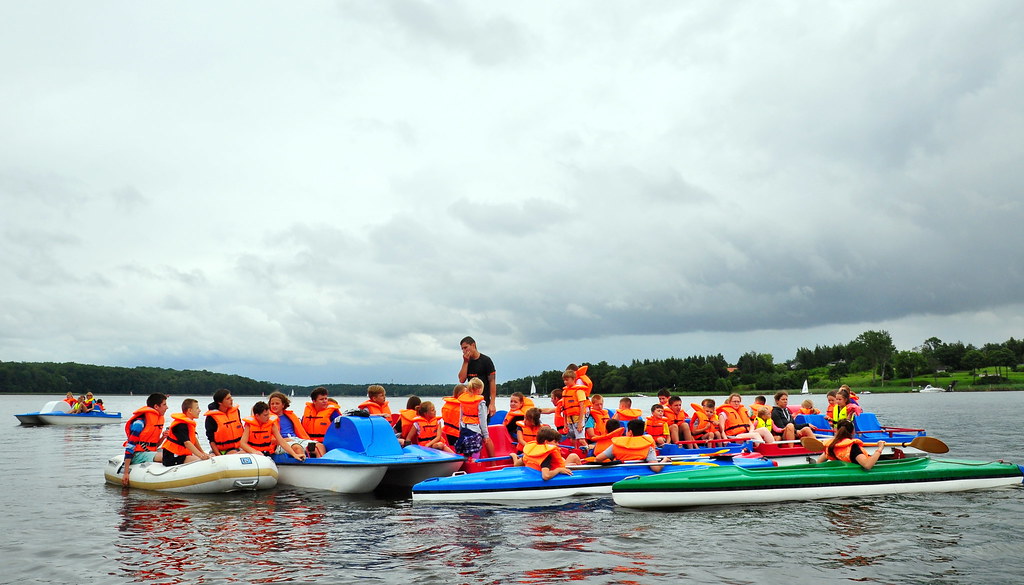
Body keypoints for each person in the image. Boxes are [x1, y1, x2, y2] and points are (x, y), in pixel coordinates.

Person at [121, 393, 169, 486]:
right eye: (164, 404)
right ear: (156, 406)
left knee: (175, 451)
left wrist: (163, 437)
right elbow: (130, 446)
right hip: (137, 455)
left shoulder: (157, 419)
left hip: (148, 453)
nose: (167, 407)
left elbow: (153, 446)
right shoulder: (139, 423)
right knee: (168, 457)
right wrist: (126, 472)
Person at [594, 419, 670, 472]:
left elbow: (598, 459)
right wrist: (665, 460)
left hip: (619, 471)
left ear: (630, 432)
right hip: (640, 472)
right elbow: (656, 469)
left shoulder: (617, 445)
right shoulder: (648, 447)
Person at [267, 391, 324, 458]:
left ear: (283, 405)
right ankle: (304, 467)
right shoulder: (267, 419)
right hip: (280, 444)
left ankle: (321, 466)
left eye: (277, 403)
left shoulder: (290, 416)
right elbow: (267, 439)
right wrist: (284, 440)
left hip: (296, 439)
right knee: (297, 448)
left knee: (319, 446)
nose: (274, 406)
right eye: (272, 404)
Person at [510, 427, 582, 480]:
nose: (557, 444)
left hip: (533, 472)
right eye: (555, 442)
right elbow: (546, 476)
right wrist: (559, 470)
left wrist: (514, 456)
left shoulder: (533, 450)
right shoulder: (546, 455)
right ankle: (581, 476)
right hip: (552, 471)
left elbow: (516, 464)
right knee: (574, 456)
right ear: (546, 442)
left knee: (569, 457)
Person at [161, 398, 213, 466]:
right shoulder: (180, 425)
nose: (199, 410)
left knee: (206, 458)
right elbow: (187, 443)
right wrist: (201, 456)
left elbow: (194, 439)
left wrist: (202, 452)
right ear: (190, 410)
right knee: (203, 461)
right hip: (172, 457)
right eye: (197, 408)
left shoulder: (189, 424)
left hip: (181, 455)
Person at [817, 419, 885, 470]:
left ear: (837, 431)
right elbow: (867, 465)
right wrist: (880, 448)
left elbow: (819, 462)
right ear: (853, 432)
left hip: (840, 472)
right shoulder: (853, 447)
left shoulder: (831, 446)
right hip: (852, 473)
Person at [455, 377, 494, 457]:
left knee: (466, 452)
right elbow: (483, 421)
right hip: (475, 430)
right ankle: (475, 465)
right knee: (475, 452)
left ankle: (466, 466)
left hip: (464, 429)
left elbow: (461, 417)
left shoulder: (463, 401)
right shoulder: (481, 403)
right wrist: (486, 436)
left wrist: (460, 429)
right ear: (479, 389)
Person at [458, 336, 497, 418]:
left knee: (483, 428)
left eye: (466, 347)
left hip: (484, 401)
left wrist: (492, 403)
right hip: (470, 402)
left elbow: (492, 382)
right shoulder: (467, 362)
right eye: (462, 349)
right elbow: (462, 379)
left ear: (473, 345)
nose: (464, 351)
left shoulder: (486, 360)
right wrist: (465, 362)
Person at [205, 388, 244, 455]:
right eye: (228, 398)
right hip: (219, 449)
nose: (231, 400)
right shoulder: (211, 418)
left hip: (236, 448)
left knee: (234, 452)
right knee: (212, 456)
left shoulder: (236, 411)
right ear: (220, 402)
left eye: (231, 397)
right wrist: (218, 455)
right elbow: (211, 439)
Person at [560, 369, 589, 448]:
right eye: (564, 380)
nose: (565, 382)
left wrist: (580, 423)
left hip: (577, 419)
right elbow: (565, 409)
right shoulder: (565, 392)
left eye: (567, 380)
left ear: (573, 379)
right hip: (570, 420)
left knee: (581, 440)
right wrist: (565, 423)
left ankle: (589, 451)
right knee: (572, 439)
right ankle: (575, 453)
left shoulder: (579, 391)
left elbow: (582, 407)